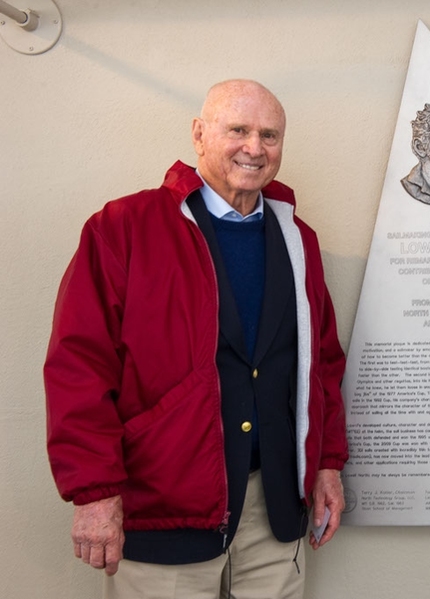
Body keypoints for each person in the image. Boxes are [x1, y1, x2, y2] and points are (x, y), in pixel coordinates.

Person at [44, 79, 348, 598]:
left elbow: (321, 362)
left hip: (274, 504)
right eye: (238, 130)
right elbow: (79, 365)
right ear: (199, 135)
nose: (255, 148)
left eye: (269, 135)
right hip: (165, 503)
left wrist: (326, 465)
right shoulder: (124, 227)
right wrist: (94, 492)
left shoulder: (299, 239)